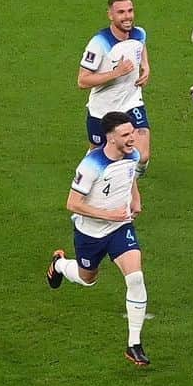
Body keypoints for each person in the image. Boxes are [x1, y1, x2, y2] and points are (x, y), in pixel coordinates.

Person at [46, 111, 150, 367]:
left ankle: (134, 344)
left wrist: (135, 200)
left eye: (133, 132)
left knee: (135, 277)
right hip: (90, 234)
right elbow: (72, 203)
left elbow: (130, 178)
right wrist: (107, 214)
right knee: (86, 278)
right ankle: (59, 264)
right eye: (125, 135)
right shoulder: (90, 166)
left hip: (120, 229)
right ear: (110, 139)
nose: (132, 138)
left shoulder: (132, 155)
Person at [78, 0, 152, 177]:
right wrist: (116, 73)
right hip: (102, 110)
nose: (127, 16)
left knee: (142, 156)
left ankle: (132, 180)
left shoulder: (138, 33)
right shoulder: (99, 43)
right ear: (110, 15)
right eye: (121, 12)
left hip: (131, 102)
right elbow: (82, 81)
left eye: (130, 11)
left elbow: (141, 46)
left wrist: (146, 66)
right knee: (97, 156)